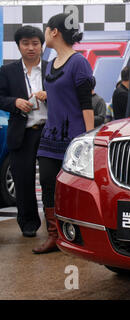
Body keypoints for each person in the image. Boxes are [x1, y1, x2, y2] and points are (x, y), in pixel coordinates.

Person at [32, 13, 94, 254]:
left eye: (46, 30)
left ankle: (77, 236)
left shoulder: (79, 62)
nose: (44, 34)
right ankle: (54, 235)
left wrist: (89, 140)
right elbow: (60, 94)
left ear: (54, 32)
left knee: (74, 188)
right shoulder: (51, 63)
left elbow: (85, 104)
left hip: (74, 138)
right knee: (47, 182)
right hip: (50, 136)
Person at [0, 26, 48, 238]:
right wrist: (14, 102)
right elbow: (0, 98)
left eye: (35, 43)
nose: (31, 48)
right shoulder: (7, 71)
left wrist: (50, 95)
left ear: (41, 45)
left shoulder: (51, 69)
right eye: (26, 44)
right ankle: (28, 223)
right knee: (23, 178)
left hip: (49, 131)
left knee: (51, 180)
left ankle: (55, 224)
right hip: (22, 131)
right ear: (18, 45)